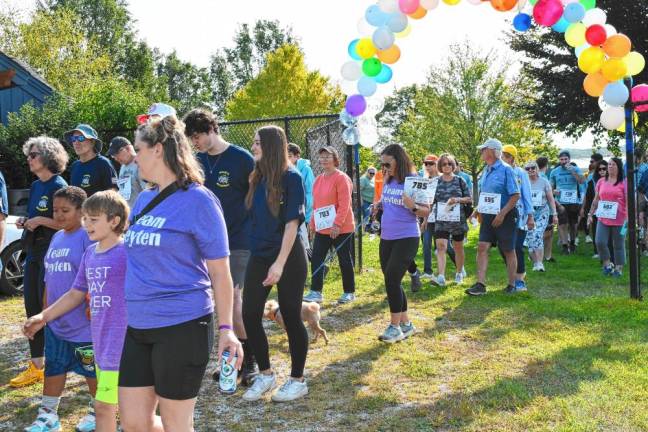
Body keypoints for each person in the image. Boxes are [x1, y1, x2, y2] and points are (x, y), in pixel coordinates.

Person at [118, 116, 242, 431]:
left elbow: (220, 272)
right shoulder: (144, 199)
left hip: (182, 325)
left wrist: (226, 328)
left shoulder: (199, 200)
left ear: (158, 150)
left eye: (139, 150)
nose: (135, 157)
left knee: (177, 424)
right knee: (134, 423)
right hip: (138, 325)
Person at [24, 190, 131, 432]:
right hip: (103, 348)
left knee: (132, 417)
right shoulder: (90, 255)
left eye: (93, 219)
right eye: (86, 218)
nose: (87, 224)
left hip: (125, 347)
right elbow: (75, 292)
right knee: (104, 409)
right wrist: (43, 316)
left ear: (114, 221)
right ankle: (50, 415)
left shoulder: (127, 252)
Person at [183, 108, 258, 385]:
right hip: (204, 244)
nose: (195, 143)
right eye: (191, 139)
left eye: (198, 136)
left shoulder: (241, 159)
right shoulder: (197, 161)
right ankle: (230, 361)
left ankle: (251, 362)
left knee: (236, 302)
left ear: (211, 129)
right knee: (216, 305)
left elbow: (257, 198)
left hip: (239, 240)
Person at [241, 125, 309, 402]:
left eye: (258, 143)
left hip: (289, 255)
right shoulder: (256, 177)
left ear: (271, 146)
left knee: (291, 315)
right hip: (260, 254)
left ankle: (298, 380)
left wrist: (279, 265)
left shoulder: (291, 177)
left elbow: (292, 225)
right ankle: (267, 375)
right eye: (254, 142)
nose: (253, 147)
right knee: (249, 314)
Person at [21, 186, 96, 432]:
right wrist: (44, 315)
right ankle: (48, 416)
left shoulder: (88, 236)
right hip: (57, 322)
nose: (59, 215)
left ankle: (99, 412)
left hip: (84, 324)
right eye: (55, 210)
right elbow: (49, 280)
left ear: (82, 211)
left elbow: (95, 276)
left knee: (92, 371)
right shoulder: (57, 237)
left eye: (66, 210)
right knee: (54, 366)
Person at [10, 137, 69, 389]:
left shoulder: (59, 185)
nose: (29, 159)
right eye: (29, 155)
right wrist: (27, 221)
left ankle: (60, 363)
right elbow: (36, 215)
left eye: (33, 154)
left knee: (50, 309)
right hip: (33, 253)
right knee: (32, 307)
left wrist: (41, 222)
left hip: (52, 256)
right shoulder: (35, 186)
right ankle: (37, 367)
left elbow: (68, 224)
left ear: (47, 156)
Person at [377, 144, 430, 343]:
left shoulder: (414, 181)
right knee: (393, 281)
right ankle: (407, 324)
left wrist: (413, 206)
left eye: (387, 163)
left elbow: (426, 211)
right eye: (382, 164)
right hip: (387, 236)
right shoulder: (388, 179)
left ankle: (394, 327)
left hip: (407, 236)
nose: (384, 167)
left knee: (391, 279)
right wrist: (379, 204)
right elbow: (389, 202)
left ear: (398, 161)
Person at [466, 139, 520, 296]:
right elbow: (485, 194)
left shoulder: (506, 170)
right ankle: (480, 285)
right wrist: (477, 211)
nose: (481, 152)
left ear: (492, 151)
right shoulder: (486, 170)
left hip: (506, 216)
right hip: (487, 216)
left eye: (483, 149)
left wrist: (502, 214)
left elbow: (515, 195)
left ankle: (512, 284)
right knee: (482, 246)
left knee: (508, 250)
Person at [303, 146, 356, 304]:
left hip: (342, 228)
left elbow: (345, 204)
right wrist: (312, 223)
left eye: (328, 156)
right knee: (318, 258)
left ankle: (349, 292)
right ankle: (316, 291)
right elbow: (316, 205)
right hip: (322, 228)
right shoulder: (318, 179)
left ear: (335, 158)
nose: (324, 159)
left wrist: (337, 224)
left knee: (344, 259)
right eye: (322, 156)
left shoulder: (341, 178)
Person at [431, 154, 471, 286]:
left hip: (457, 220)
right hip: (441, 220)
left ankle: (459, 273)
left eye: (449, 163)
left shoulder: (460, 180)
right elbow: (431, 201)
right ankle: (441, 276)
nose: (447, 166)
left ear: (453, 165)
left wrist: (457, 200)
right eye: (444, 164)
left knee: (458, 247)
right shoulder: (436, 181)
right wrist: (425, 219)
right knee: (441, 246)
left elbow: (469, 199)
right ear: (440, 166)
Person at [501, 145, 534, 292]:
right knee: (505, 248)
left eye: (506, 156)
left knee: (517, 247)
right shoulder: (499, 172)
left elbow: (526, 194)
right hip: (503, 215)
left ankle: (520, 279)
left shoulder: (521, 173)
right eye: (502, 155)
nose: (503, 158)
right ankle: (512, 277)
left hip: (520, 216)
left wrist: (530, 216)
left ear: (512, 158)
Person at [588, 158, 627, 277]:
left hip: (621, 219)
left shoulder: (624, 183)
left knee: (618, 244)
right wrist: (590, 214)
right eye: (609, 164)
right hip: (603, 217)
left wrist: (629, 219)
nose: (610, 166)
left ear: (618, 167)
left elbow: (630, 202)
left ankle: (619, 268)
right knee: (599, 241)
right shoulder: (601, 181)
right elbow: (596, 199)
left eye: (613, 164)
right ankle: (607, 264)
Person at [66, 124, 118, 197]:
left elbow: (114, 192)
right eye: (74, 139)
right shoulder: (74, 166)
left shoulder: (103, 163)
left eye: (81, 138)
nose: (76, 142)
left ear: (92, 142)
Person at [525, 161, 558, 272]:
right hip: (529, 214)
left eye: (532, 168)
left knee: (537, 234)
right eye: (527, 168)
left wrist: (554, 214)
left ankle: (540, 263)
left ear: (537, 168)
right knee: (529, 238)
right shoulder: (524, 182)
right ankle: (535, 263)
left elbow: (550, 199)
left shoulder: (544, 182)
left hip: (542, 211)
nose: (530, 170)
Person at [550, 150, 585, 254]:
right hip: (560, 201)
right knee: (562, 224)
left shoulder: (576, 169)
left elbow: (582, 181)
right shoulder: (554, 172)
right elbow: (550, 188)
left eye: (566, 159)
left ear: (569, 160)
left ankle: (573, 242)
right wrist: (553, 191)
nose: (564, 161)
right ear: (559, 160)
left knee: (573, 224)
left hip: (573, 201)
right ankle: (565, 245)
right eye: (561, 159)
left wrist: (573, 172)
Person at [107, 136, 147, 208]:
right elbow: (125, 192)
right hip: (129, 213)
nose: (116, 158)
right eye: (113, 156)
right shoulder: (123, 166)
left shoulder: (141, 163)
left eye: (117, 154)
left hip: (141, 212)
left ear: (128, 148)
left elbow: (148, 192)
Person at [582, 153, 604, 245]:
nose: (590, 163)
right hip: (593, 201)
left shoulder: (604, 174)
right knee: (594, 224)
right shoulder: (591, 175)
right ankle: (596, 247)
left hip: (603, 202)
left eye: (592, 161)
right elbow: (587, 190)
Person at [537, 156, 556, 263]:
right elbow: (547, 194)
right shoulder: (543, 177)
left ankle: (548, 256)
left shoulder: (538, 176)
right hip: (544, 209)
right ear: (546, 165)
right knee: (545, 233)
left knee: (549, 232)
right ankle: (537, 254)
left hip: (544, 209)